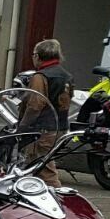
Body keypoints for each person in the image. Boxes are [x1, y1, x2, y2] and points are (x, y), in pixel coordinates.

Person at [23, 38, 72, 187]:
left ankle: (57, 199)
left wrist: (24, 125)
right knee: (35, 167)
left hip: (43, 129)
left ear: (38, 56)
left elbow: (35, 104)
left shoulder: (40, 77)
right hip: (60, 126)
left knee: (45, 170)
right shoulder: (66, 75)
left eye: (33, 54)